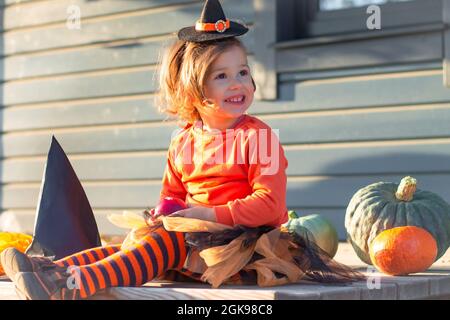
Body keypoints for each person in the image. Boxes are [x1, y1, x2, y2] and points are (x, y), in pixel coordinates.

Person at [0, 0, 362, 300]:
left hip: (237, 247)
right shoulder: (184, 140)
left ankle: (73, 286)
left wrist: (206, 214)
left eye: (243, 72)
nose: (238, 83)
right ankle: (52, 270)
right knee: (136, 244)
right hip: (190, 238)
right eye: (222, 76)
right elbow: (172, 194)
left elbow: (271, 206)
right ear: (195, 90)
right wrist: (165, 210)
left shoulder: (259, 137)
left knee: (166, 241)